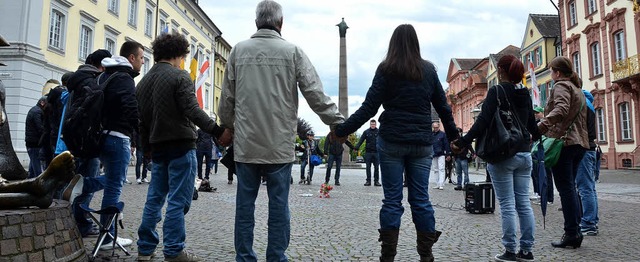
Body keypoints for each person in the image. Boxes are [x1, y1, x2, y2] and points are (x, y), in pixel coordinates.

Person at [218, 1, 344, 260]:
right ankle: (276, 256)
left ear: (256, 22)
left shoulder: (238, 51)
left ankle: (244, 257)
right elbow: (314, 93)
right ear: (280, 23)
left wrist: (228, 126)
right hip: (278, 146)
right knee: (279, 206)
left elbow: (226, 100)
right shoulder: (292, 52)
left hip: (246, 145)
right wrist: (338, 122)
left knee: (244, 207)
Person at [334, 24, 458, 262]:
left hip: (391, 141)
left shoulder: (386, 69)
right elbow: (443, 109)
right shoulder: (428, 70)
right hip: (422, 143)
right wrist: (455, 138)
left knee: (392, 199)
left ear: (393, 44)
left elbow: (368, 107)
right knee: (421, 199)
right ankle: (426, 255)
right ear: (415, 43)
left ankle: (388, 255)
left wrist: (342, 130)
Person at [135, 32, 229, 261]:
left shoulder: (143, 83)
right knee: (178, 201)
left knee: (154, 199)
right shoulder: (180, 76)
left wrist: (145, 146)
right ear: (179, 54)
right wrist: (217, 131)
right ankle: (174, 251)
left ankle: (145, 249)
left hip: (157, 148)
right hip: (181, 146)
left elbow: (142, 120)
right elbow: (193, 111)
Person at [452, 55, 540, 261]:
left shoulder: (497, 91)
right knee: (523, 204)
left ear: (501, 71)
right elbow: (532, 128)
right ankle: (526, 250)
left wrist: (462, 142)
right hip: (524, 154)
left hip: (503, 154)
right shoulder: (525, 93)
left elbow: (481, 122)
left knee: (508, 204)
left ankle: (510, 250)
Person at [537, 56, 589, 249]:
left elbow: (561, 109)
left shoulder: (561, 86)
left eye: (551, 71)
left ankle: (571, 233)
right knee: (570, 188)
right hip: (579, 144)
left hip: (564, 143)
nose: (551, 75)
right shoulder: (578, 89)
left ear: (557, 72)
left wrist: (542, 125)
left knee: (566, 189)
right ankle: (576, 231)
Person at [64, 49, 111, 237]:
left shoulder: (77, 80)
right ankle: (81, 224)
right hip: (88, 143)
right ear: (102, 65)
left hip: (74, 141)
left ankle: (72, 220)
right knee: (86, 185)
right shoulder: (92, 82)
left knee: (80, 180)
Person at [576, 90, 599, 236]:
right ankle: (592, 220)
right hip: (590, 149)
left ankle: (589, 223)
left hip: (584, 149)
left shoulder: (583, 105)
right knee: (590, 187)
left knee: (585, 188)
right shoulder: (590, 105)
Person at [25, 97, 46, 178]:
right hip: (34, 143)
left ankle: (30, 179)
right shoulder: (38, 112)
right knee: (36, 165)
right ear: (42, 103)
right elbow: (40, 128)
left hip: (31, 142)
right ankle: (37, 180)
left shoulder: (34, 110)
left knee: (33, 163)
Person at [355, 119, 380, 186]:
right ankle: (368, 181)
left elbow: (383, 140)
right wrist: (356, 147)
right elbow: (361, 140)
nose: (373, 125)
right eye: (371, 124)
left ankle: (376, 181)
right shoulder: (366, 132)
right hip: (368, 152)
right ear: (370, 124)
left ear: (375, 124)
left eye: (374, 124)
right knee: (368, 167)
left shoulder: (379, 132)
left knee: (377, 168)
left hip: (376, 152)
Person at [431, 122, 450, 190]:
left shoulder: (442, 134)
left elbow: (446, 144)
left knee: (441, 169)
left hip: (441, 153)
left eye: (436, 127)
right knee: (435, 169)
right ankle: (437, 183)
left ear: (438, 127)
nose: (435, 129)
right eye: (434, 127)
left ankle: (441, 183)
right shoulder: (431, 134)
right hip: (434, 154)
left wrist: (447, 154)